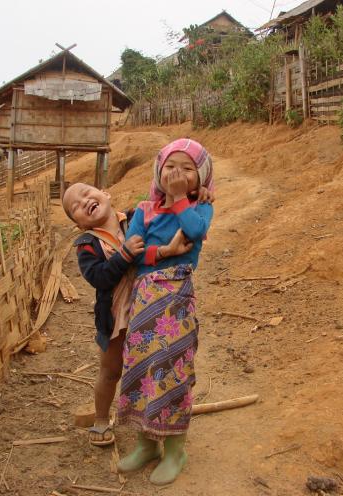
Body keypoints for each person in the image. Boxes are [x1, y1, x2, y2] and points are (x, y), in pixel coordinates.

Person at [62, 182, 194, 447]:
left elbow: (166, 203)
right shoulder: (87, 245)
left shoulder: (137, 217)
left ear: (106, 194)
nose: (84, 201)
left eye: (86, 193)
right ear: (79, 225)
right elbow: (98, 277)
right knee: (110, 371)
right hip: (116, 318)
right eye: (75, 206)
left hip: (150, 307)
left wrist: (194, 193)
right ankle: (101, 420)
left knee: (150, 367)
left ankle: (149, 419)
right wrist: (123, 255)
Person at [116, 138, 214, 485]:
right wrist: (164, 251)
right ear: (158, 172)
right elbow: (133, 251)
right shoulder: (143, 210)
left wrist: (180, 199)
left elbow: (196, 231)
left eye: (187, 169)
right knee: (142, 369)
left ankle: (175, 451)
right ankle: (146, 445)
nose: (177, 173)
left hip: (177, 301)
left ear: (201, 177)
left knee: (172, 371)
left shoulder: (201, 208)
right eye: (170, 167)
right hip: (145, 299)